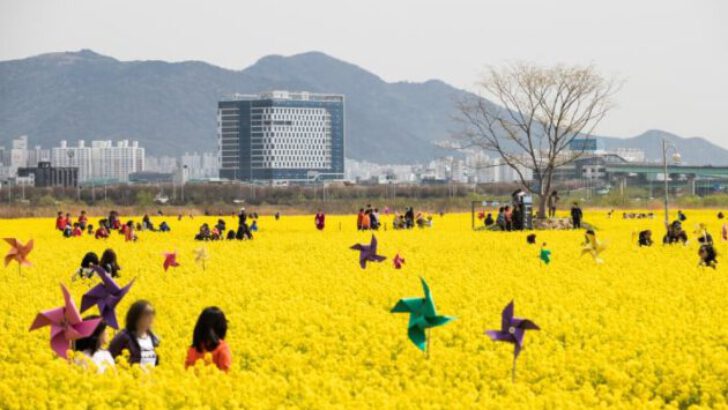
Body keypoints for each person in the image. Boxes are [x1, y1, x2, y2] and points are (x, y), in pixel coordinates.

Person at [109, 300, 160, 366]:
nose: (151, 318)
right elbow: (109, 358)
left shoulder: (154, 339)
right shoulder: (123, 337)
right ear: (136, 317)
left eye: (152, 314)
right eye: (147, 314)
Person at [185, 307, 232, 372]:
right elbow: (227, 374)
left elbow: (186, 374)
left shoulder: (192, 349)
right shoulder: (222, 348)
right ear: (221, 327)